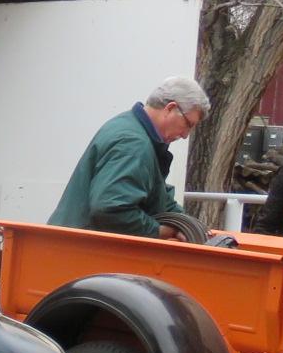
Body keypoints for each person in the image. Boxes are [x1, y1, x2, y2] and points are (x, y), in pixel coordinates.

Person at [47, 77, 210, 237]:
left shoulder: (130, 128)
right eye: (188, 124)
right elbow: (111, 209)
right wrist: (160, 231)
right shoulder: (134, 144)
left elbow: (157, 195)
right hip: (80, 252)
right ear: (170, 108)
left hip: (68, 246)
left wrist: (184, 223)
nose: (185, 135)